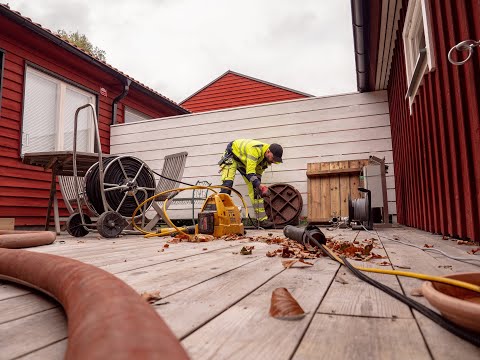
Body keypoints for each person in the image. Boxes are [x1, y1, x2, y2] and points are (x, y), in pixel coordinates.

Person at [218, 139, 283, 229]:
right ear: (268, 151)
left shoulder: (266, 161)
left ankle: (262, 220)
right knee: (227, 185)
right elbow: (250, 173)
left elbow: (257, 175)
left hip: (242, 162)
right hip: (232, 155)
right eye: (273, 158)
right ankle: (220, 218)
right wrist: (261, 186)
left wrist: (259, 187)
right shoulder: (255, 150)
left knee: (256, 189)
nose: (274, 161)